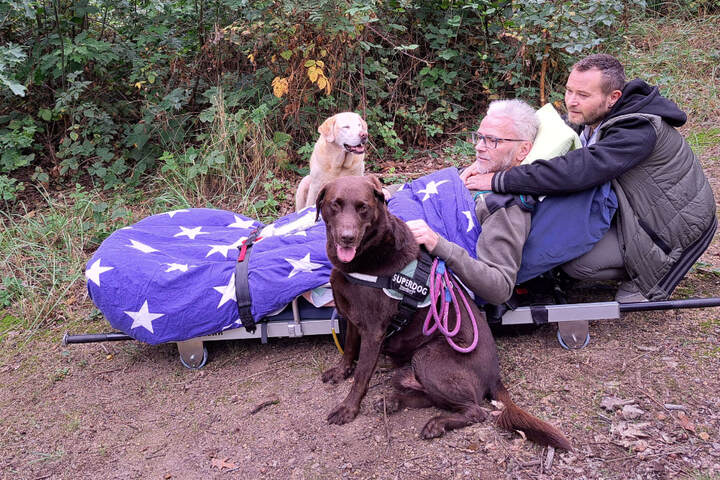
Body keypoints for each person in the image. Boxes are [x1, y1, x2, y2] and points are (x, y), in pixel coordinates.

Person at [461, 54, 716, 302]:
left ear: (613, 98)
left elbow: (578, 170)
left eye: (582, 95)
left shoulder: (637, 129)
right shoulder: (596, 115)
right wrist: (489, 159)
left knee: (576, 263)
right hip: (639, 207)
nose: (572, 101)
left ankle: (651, 275)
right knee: (563, 233)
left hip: (673, 229)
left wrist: (499, 181)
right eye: (569, 91)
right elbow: (546, 140)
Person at [391, 99, 539, 305]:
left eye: (492, 140)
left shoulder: (503, 206)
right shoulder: (472, 173)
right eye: (479, 137)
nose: (478, 147)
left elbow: (499, 287)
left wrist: (438, 244)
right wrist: (382, 192)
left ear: (523, 150)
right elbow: (416, 191)